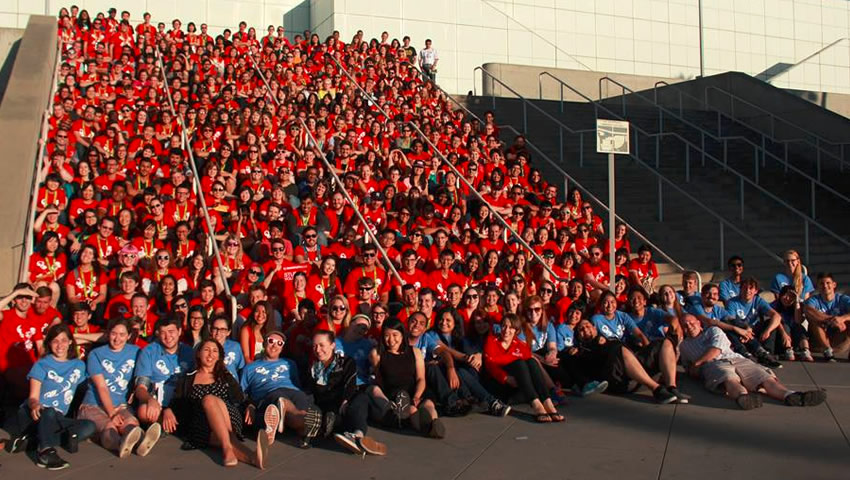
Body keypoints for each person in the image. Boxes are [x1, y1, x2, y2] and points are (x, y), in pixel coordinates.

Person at [678, 314, 827, 410]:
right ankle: (744, 397)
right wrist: (694, 370)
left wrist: (697, 364)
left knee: (764, 377)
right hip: (713, 365)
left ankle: (791, 395)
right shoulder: (684, 346)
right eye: (685, 325)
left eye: (691, 322)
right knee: (728, 378)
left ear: (699, 323)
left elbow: (715, 350)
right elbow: (688, 368)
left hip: (736, 358)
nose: (689, 326)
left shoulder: (713, 331)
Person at [167, 339, 268, 468]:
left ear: (219, 356)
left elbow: (241, 397)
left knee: (210, 399)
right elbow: (177, 401)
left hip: (228, 417)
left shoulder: (225, 376)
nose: (210, 354)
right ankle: (253, 458)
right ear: (198, 354)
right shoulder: (187, 378)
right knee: (220, 434)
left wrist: (250, 405)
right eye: (206, 350)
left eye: (215, 351)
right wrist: (168, 410)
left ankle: (226, 449)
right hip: (201, 424)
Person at [8, 324, 95, 470]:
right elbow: (33, 397)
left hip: (57, 418)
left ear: (70, 342)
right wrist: (35, 405)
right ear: (49, 343)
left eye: (63, 340)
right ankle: (46, 452)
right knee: (49, 412)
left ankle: (32, 442)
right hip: (34, 414)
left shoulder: (79, 366)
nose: (59, 345)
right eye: (55, 341)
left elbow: (84, 388)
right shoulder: (42, 364)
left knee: (89, 426)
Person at [79, 318, 160, 458]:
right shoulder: (96, 354)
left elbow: (144, 373)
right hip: (94, 404)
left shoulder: (136, 352)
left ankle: (140, 442)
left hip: (120, 405)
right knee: (109, 427)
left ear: (129, 336)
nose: (117, 338)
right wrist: (111, 413)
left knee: (130, 424)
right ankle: (120, 444)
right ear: (108, 333)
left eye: (122, 334)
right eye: (114, 334)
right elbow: (101, 386)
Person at [309, 329, 387, 456]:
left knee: (361, 398)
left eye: (321, 345)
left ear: (333, 345)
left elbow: (350, 383)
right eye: (314, 346)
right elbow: (314, 392)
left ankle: (358, 437)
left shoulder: (346, 362)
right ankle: (337, 429)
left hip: (344, 405)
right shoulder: (313, 367)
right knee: (332, 416)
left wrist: (346, 399)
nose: (317, 350)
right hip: (328, 409)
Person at [239, 330, 323, 448]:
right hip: (269, 395)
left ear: (282, 348)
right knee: (279, 397)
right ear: (264, 343)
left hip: (294, 392)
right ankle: (290, 411)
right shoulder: (250, 368)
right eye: (271, 341)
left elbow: (296, 384)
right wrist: (250, 405)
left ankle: (283, 423)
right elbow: (241, 392)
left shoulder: (290, 364)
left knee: (305, 405)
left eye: (280, 343)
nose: (275, 345)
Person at [369, 318, 445, 437]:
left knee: (428, 404)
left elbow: (421, 378)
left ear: (402, 335)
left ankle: (434, 424)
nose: (391, 340)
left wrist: (417, 396)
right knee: (412, 410)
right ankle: (424, 429)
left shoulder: (415, 352)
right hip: (397, 395)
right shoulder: (377, 354)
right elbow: (380, 380)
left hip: (416, 390)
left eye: (395, 335)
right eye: (387, 336)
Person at [484, 314, 564, 422]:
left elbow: (532, 364)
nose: (506, 330)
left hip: (518, 385)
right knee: (519, 363)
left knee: (531, 362)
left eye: (511, 327)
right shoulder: (492, 340)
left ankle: (548, 403)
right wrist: (506, 378)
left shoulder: (520, 345)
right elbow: (489, 364)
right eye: (504, 326)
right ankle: (537, 406)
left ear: (516, 330)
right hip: (500, 384)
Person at [133, 315, 195, 432]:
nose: (167, 337)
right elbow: (140, 388)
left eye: (171, 331)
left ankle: (166, 427)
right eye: (163, 332)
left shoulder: (189, 352)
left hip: (180, 401)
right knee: (143, 411)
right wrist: (150, 400)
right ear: (157, 333)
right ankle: (160, 425)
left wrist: (171, 408)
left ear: (179, 331)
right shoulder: (148, 351)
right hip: (157, 401)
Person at [803, 272, 850, 362]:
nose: (825, 286)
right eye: (821, 283)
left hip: (839, 340)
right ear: (817, 286)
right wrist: (831, 320)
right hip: (819, 342)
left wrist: (842, 319)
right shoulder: (814, 300)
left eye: (828, 283)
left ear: (834, 285)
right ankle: (827, 350)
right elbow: (808, 310)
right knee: (814, 320)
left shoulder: (842, 299)